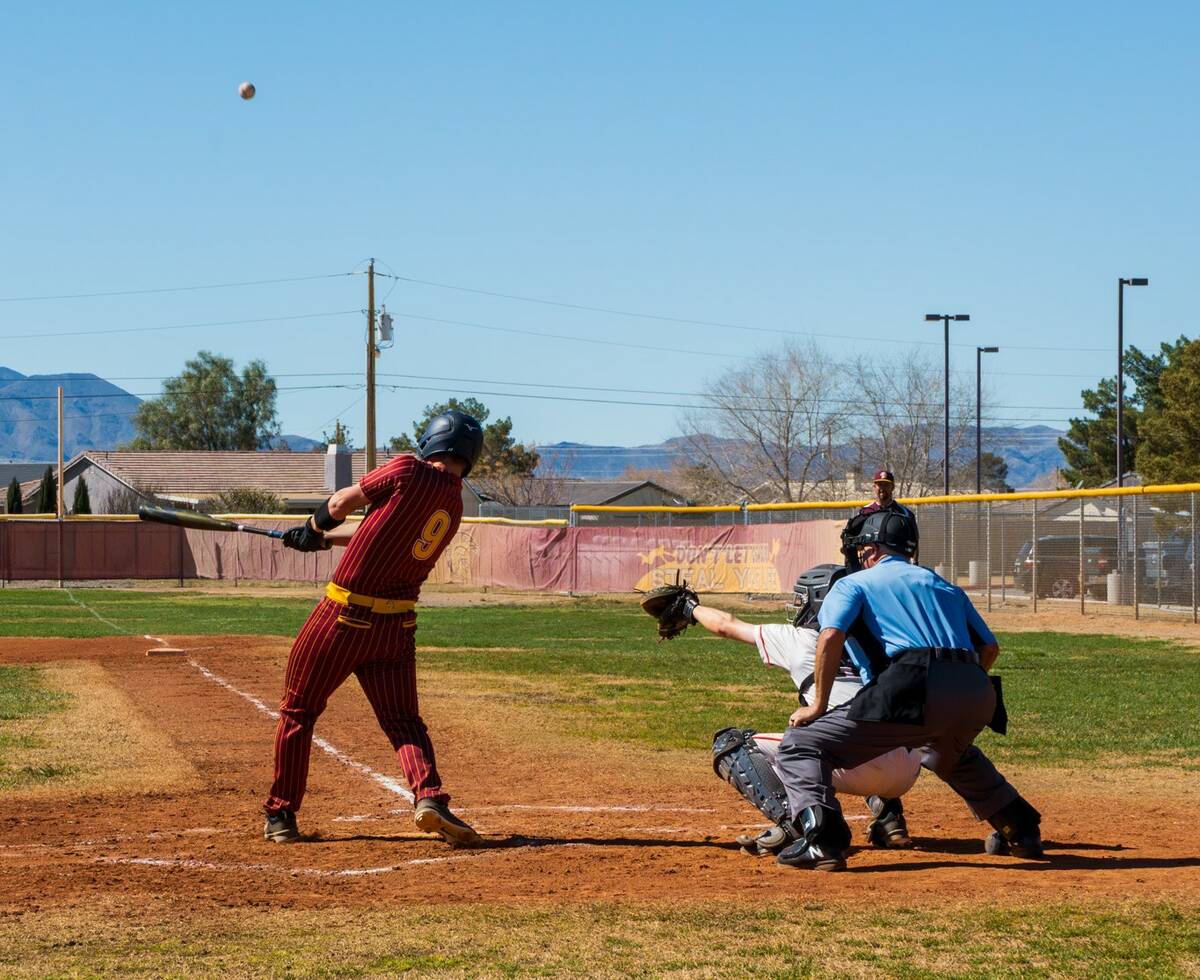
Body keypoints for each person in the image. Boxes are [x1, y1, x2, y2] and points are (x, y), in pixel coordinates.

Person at [772, 509, 1044, 871]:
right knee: (948, 756)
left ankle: (823, 842)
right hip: (977, 687)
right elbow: (989, 648)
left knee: (801, 744)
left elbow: (831, 636)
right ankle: (1021, 828)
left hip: (915, 678)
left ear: (871, 549)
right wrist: (956, 686)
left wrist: (817, 704)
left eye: (861, 549)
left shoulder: (853, 583)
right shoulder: (944, 584)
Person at [262, 409, 485, 847]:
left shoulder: (407, 468)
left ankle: (281, 814)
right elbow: (378, 530)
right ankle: (430, 797)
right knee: (404, 722)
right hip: (396, 627)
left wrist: (312, 526)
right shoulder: (454, 504)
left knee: (298, 711)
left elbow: (342, 503)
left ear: (432, 440)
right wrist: (322, 540)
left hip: (342, 619)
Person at [641, 566, 921, 856]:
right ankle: (890, 818)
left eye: (801, 600)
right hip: (909, 768)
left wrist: (689, 608)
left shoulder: (799, 639)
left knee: (734, 744)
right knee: (858, 725)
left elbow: (726, 624)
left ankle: (796, 824)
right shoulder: (885, 640)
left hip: (859, 764)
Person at [841, 470, 919, 570]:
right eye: (879, 484)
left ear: (892, 487)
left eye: (886, 484)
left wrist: (915, 563)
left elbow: (915, 542)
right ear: (874, 487)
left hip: (897, 565)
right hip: (870, 566)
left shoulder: (904, 513)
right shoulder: (865, 512)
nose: (882, 488)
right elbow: (851, 541)